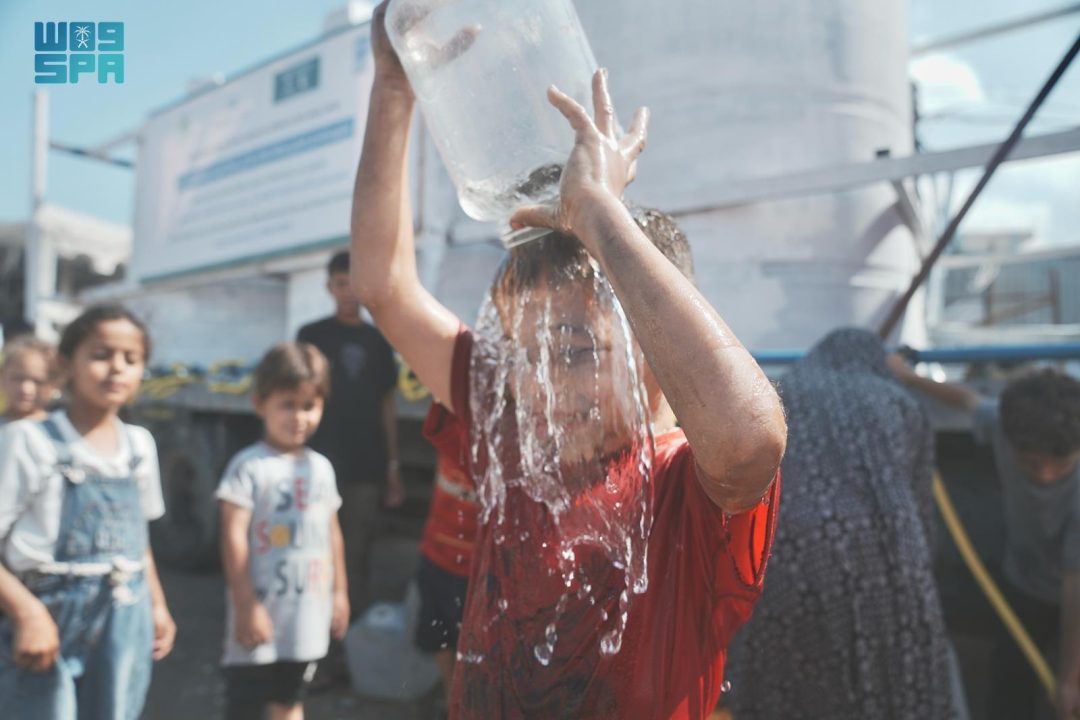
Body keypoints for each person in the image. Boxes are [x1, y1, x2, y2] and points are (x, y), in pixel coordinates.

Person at [349, 4, 787, 717]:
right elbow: (383, 286)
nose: (539, 380)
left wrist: (595, 212)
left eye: (575, 352)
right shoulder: (515, 430)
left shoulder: (684, 490)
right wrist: (392, 90)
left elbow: (751, 437)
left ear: (656, 349)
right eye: (522, 352)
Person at [725, 328, 955, 719]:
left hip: (784, 556)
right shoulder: (898, 401)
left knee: (791, 679)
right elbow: (918, 511)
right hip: (882, 562)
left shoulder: (778, 393)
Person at [0, 303, 176, 720]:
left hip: (123, 621)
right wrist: (27, 613)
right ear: (66, 366)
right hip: (48, 618)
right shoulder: (29, 441)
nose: (117, 368)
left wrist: (157, 604)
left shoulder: (138, 447)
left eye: (131, 359)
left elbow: (139, 538)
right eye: (101, 355)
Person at [889, 359, 1080, 719]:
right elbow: (966, 400)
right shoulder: (999, 425)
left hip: (1073, 591)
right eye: (1031, 463)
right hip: (1023, 584)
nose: (1046, 475)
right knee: (1009, 688)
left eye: (1060, 465)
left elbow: (1076, 584)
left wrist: (1070, 678)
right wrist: (906, 376)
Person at [217, 342, 349, 720]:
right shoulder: (248, 467)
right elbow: (232, 539)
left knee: (290, 700)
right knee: (243, 705)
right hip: (258, 617)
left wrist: (339, 593)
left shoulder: (321, 468)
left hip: (304, 619)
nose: (299, 417)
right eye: (287, 405)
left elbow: (332, 534)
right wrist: (245, 606)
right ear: (260, 404)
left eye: (309, 406)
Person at [297, 250, 402, 617]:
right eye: (342, 284)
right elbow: (299, 399)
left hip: (366, 465)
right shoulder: (311, 337)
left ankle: (348, 640)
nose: (349, 292)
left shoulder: (378, 341)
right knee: (311, 549)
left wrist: (391, 467)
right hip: (317, 463)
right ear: (330, 287)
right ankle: (311, 637)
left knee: (355, 555)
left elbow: (386, 406)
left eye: (356, 284)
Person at [415, 413, 479, 706]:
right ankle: (452, 697)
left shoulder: (512, 444)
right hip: (437, 555)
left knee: (475, 646)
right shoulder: (452, 428)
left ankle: (465, 701)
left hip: (478, 571)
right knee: (437, 637)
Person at [1, 336, 58, 426]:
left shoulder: (62, 433)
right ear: (2, 375)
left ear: (55, 384)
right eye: (18, 378)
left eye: (37, 381)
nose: (25, 389)